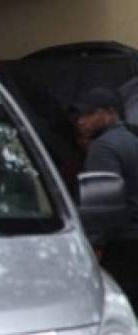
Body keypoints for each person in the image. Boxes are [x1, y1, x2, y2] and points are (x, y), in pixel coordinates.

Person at [70, 86, 138, 298]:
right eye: (80, 115)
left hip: (119, 242)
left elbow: (102, 202)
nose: (81, 121)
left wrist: (95, 244)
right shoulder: (130, 139)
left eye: (90, 114)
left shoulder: (103, 147)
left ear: (110, 112)